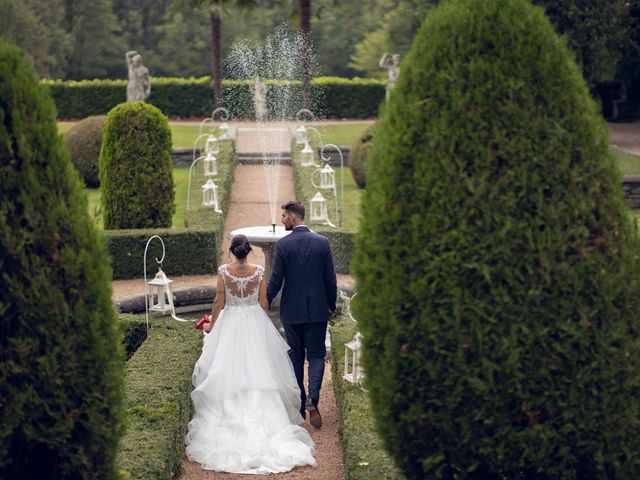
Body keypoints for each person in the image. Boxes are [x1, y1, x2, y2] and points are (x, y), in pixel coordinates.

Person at [185, 234, 315, 474]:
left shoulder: (224, 271)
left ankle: (231, 415)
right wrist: (252, 303)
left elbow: (218, 301)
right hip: (254, 321)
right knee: (260, 367)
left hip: (231, 321)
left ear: (233, 251)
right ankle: (269, 423)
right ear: (248, 251)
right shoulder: (259, 271)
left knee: (227, 368)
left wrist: (212, 325)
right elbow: (265, 303)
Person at [267, 201, 337, 429]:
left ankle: (300, 405)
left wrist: (264, 302)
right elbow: (330, 278)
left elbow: (276, 280)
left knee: (296, 357)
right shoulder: (322, 243)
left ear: (294, 218)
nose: (282, 220)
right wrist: (332, 303)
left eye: (285, 216)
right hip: (317, 309)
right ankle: (313, 399)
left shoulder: (284, 245)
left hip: (292, 311)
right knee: (316, 355)